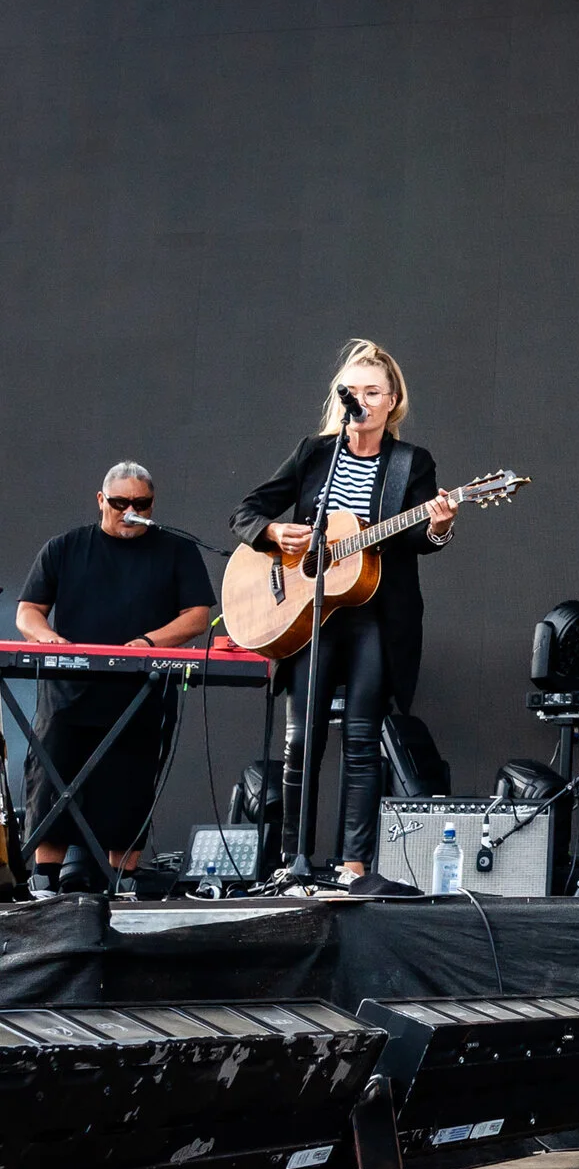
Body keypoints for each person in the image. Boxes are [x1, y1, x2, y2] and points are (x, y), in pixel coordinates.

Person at [232, 341, 459, 880]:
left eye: (373, 392)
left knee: (361, 737)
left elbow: (419, 540)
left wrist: (440, 525)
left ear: (392, 401)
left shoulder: (411, 463)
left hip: (375, 614)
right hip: (308, 612)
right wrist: (273, 532)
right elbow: (247, 512)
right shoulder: (315, 453)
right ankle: (292, 863)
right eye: (352, 392)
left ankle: (353, 865)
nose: (362, 400)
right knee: (301, 740)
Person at [13, 463, 216, 890]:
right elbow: (28, 611)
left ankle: (122, 880)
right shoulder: (65, 547)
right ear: (101, 500)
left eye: (141, 504)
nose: (130, 512)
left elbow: (197, 615)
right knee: (51, 778)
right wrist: (51, 640)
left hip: (139, 691)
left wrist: (148, 643)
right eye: (120, 502)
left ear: (152, 504)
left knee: (129, 783)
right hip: (68, 692)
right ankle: (45, 878)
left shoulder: (176, 550)